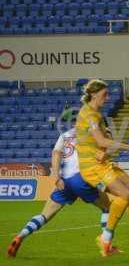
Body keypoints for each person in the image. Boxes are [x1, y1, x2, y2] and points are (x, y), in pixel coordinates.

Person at [7, 110, 112, 257]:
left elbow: (56, 154)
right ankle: (106, 245)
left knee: (44, 215)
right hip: (81, 178)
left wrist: (56, 177)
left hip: (65, 181)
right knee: (107, 207)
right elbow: (105, 145)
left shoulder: (65, 135)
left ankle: (20, 236)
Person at [76, 78, 129, 257]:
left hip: (103, 163)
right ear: (93, 94)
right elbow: (101, 141)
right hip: (92, 167)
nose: (107, 97)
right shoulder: (89, 114)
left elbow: (104, 141)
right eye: (104, 94)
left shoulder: (97, 115)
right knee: (125, 195)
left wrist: (106, 151)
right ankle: (105, 238)